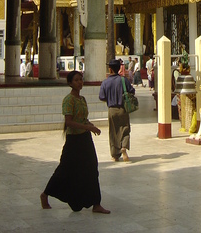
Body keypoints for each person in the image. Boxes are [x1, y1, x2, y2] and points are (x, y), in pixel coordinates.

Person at [40, 70, 110, 214]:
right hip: (73, 141)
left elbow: (83, 119)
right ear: (70, 83)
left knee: (91, 168)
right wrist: (87, 127)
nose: (80, 82)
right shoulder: (68, 100)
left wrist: (90, 126)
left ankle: (96, 204)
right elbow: (69, 122)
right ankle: (45, 194)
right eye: (77, 80)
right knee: (64, 169)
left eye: (81, 79)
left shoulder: (82, 99)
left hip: (85, 139)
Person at [99, 58, 135, 162]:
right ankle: (123, 146)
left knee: (113, 132)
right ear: (119, 68)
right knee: (125, 128)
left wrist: (109, 98)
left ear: (110, 69)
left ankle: (115, 155)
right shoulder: (124, 80)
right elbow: (132, 91)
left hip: (112, 109)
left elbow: (101, 97)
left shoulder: (105, 82)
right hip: (123, 108)